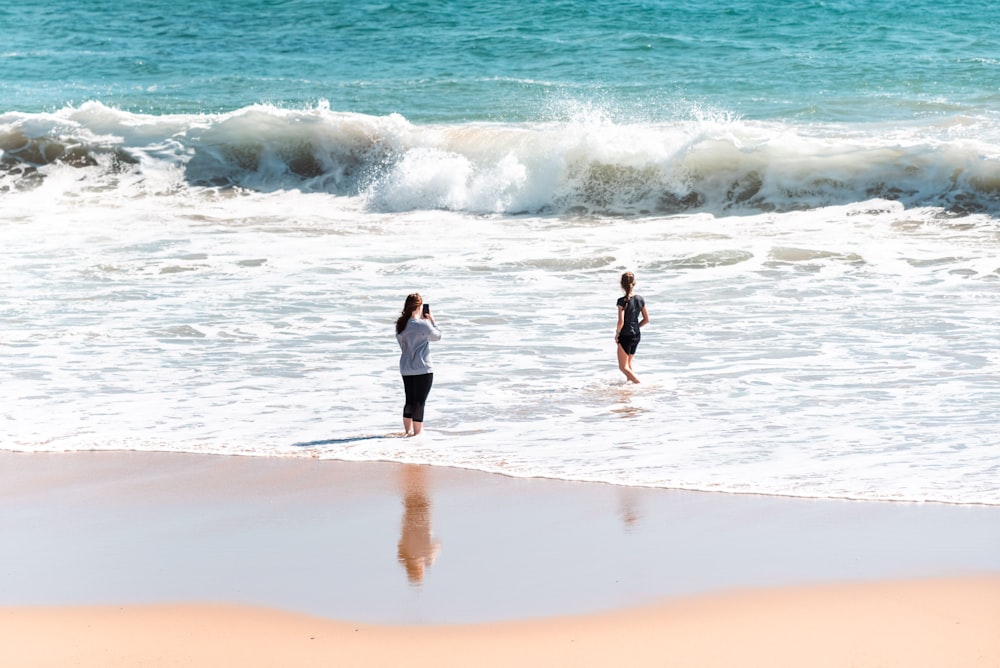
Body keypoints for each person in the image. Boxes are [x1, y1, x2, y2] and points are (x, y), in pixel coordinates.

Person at [395, 293, 441, 436]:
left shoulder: (400, 324)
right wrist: (432, 320)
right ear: (419, 307)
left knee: (409, 400)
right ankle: (417, 433)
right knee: (420, 402)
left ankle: (407, 431)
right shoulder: (422, 324)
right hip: (422, 368)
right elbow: (437, 336)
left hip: (406, 368)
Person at [615, 271, 650, 383]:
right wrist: (636, 327)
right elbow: (646, 320)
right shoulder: (640, 299)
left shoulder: (622, 301)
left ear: (622, 284)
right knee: (628, 364)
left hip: (625, 335)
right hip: (636, 335)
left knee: (622, 367)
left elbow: (621, 321)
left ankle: (638, 384)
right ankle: (630, 388)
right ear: (634, 283)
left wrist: (617, 334)